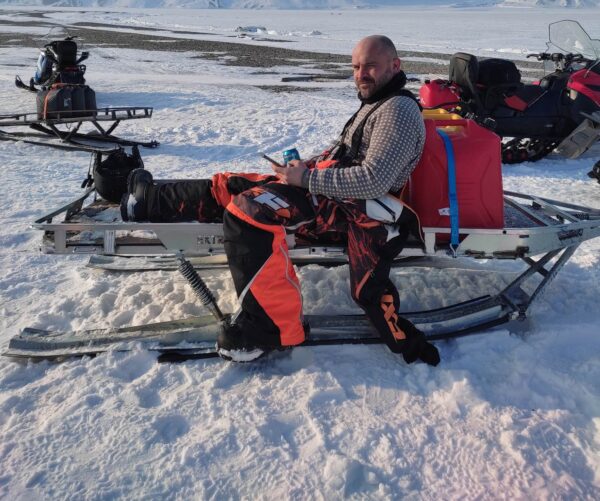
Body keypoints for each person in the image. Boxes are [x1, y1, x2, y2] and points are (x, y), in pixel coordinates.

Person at [121, 35, 440, 366]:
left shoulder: (399, 111)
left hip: (352, 211)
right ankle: (147, 201)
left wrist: (307, 178)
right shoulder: (377, 102)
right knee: (234, 185)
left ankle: (268, 329)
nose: (361, 74)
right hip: (331, 194)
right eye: (356, 67)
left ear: (395, 66)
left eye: (370, 66)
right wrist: (305, 167)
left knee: (249, 212)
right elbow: (343, 150)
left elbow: (374, 180)